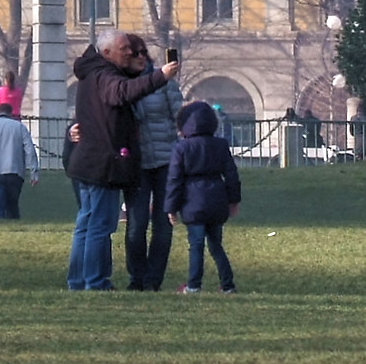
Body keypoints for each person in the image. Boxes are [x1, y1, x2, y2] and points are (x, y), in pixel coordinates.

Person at [64, 31, 176, 291]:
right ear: (107, 54)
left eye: (135, 51)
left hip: (90, 162)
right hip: (103, 163)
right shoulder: (105, 75)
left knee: (87, 223)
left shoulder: (93, 72)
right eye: (125, 49)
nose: (130, 53)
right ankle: (94, 281)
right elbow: (122, 92)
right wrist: (161, 76)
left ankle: (78, 280)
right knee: (99, 226)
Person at [166, 100, 241, 293]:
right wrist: (233, 200)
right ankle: (227, 284)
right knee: (216, 245)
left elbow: (174, 180)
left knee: (196, 245)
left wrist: (171, 208)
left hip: (192, 201)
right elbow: (232, 174)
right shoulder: (220, 144)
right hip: (217, 198)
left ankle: (193, 285)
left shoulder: (181, 148)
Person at [126, 44, 181, 291]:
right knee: (136, 225)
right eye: (131, 53)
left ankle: (153, 279)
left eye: (140, 53)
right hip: (136, 163)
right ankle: (136, 277)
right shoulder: (122, 82)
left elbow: (179, 115)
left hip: (165, 160)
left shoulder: (164, 81)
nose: (137, 57)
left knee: (163, 223)